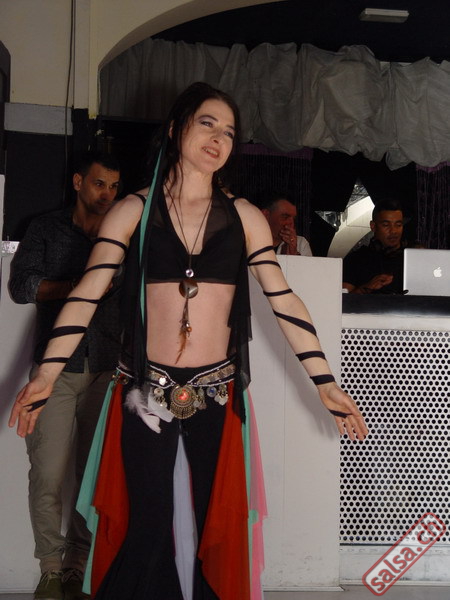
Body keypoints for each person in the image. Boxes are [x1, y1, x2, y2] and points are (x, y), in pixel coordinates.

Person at [9, 83, 368, 600]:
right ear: (177, 129)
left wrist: (326, 383)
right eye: (207, 124)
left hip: (217, 392)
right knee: (146, 524)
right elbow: (87, 292)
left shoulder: (243, 216)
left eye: (230, 132)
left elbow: (283, 298)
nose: (219, 139)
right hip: (143, 392)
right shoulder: (132, 210)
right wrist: (46, 374)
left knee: (215, 529)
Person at [8, 151, 122, 600]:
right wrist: (75, 288)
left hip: (107, 369)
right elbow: (21, 288)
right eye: (99, 183)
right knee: (48, 475)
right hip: (54, 372)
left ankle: (79, 565)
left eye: (113, 186)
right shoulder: (46, 229)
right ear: (78, 182)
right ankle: (51, 570)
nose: (107, 194)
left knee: (93, 476)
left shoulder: (122, 237)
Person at [342, 198, 405, 294]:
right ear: (373, 226)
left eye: (398, 225)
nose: (393, 231)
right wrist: (366, 288)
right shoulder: (355, 260)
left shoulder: (411, 259)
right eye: (386, 225)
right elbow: (342, 300)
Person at [260, 191, 312, 256]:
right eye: (285, 217)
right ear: (266, 215)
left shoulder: (301, 244)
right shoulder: (250, 242)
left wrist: (293, 253)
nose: (291, 223)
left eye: (294, 219)